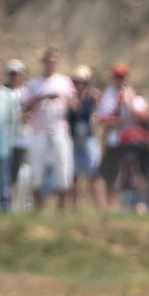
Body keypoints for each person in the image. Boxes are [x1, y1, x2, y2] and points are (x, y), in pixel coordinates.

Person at [22, 48, 77, 210]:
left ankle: (62, 207)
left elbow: (74, 105)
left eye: (54, 61)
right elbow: (25, 107)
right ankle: (39, 207)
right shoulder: (34, 83)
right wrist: (42, 97)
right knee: (36, 168)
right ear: (43, 62)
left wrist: (67, 99)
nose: (51, 63)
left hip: (59, 129)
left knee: (63, 166)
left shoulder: (64, 81)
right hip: (38, 130)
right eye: (48, 61)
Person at [94, 63, 149, 212]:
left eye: (122, 77)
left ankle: (140, 204)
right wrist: (118, 120)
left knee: (135, 173)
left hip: (133, 142)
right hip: (114, 140)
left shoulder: (133, 95)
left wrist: (129, 103)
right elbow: (102, 118)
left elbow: (144, 117)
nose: (119, 80)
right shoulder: (108, 95)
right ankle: (111, 206)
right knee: (111, 174)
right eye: (117, 77)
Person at [67, 66, 103, 209]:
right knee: (74, 176)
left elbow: (99, 113)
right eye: (76, 82)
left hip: (88, 138)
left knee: (93, 174)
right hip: (74, 139)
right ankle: (74, 207)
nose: (79, 85)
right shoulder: (70, 99)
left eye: (82, 82)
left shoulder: (92, 98)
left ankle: (100, 207)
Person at [0, 61, 23, 212]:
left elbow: (14, 121)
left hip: (4, 144)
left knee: (4, 178)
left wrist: (12, 141)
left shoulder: (7, 95)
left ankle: (5, 207)